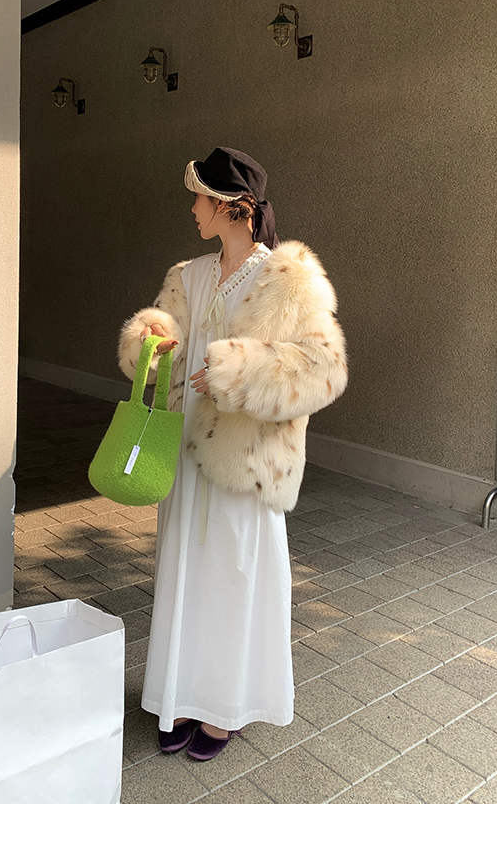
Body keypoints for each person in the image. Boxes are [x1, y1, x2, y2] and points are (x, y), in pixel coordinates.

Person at [117, 147, 348, 761]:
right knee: (185, 571)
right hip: (185, 449)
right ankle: (179, 696)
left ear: (229, 205)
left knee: (234, 575)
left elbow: (324, 368)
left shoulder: (289, 278)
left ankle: (224, 709)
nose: (192, 208)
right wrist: (152, 341)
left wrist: (237, 372)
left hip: (247, 458)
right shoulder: (188, 275)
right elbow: (161, 339)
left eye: (199, 197)